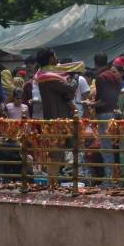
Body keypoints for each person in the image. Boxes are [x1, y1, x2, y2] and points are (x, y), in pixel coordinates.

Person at [34, 48, 78, 186]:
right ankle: (52, 184)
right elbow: (70, 89)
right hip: (57, 120)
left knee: (59, 153)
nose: (57, 58)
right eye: (54, 56)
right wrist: (75, 75)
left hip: (56, 118)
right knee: (56, 154)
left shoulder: (44, 75)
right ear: (51, 59)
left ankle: (54, 183)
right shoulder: (49, 76)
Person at [90, 52, 122, 183]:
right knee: (110, 149)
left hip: (104, 114)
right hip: (113, 114)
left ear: (95, 63)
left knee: (106, 149)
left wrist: (91, 104)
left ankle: (110, 180)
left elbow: (102, 100)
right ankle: (113, 178)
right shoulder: (113, 75)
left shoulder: (101, 77)